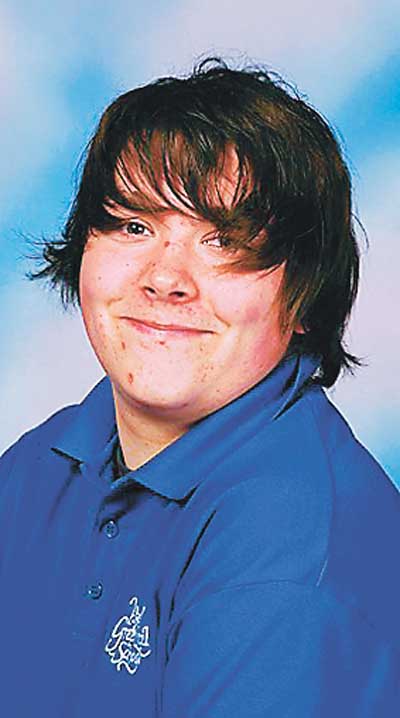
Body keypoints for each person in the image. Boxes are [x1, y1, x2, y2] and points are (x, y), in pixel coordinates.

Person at [0, 58, 399, 717]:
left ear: (306, 296)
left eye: (223, 241)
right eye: (134, 225)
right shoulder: (44, 462)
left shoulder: (289, 555)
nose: (165, 279)